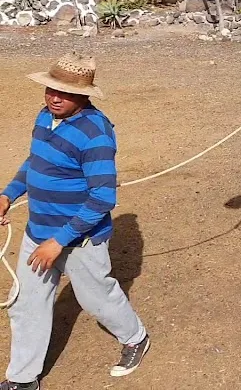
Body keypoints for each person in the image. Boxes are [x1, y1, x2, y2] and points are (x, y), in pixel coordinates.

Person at [0, 53, 149, 390]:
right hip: (38, 231)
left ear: (84, 95)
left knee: (97, 299)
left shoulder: (95, 134)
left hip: (80, 239)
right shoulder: (44, 117)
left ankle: (135, 337)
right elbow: (36, 161)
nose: (54, 97)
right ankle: (23, 379)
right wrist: (8, 194)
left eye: (64, 93)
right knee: (26, 302)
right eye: (51, 89)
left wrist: (59, 240)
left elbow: (102, 198)